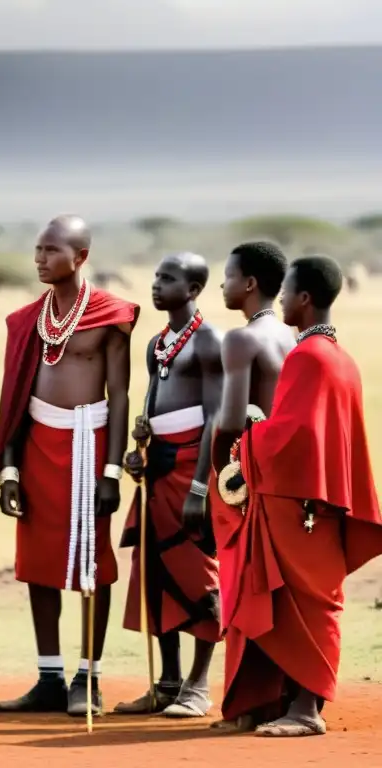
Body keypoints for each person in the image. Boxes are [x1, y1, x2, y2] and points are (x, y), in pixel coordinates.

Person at [216, 255, 382, 736]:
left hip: (300, 506)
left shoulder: (308, 356)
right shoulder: (339, 357)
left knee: (306, 608)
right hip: (315, 502)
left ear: (305, 299)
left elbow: (292, 435)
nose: (281, 299)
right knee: (289, 604)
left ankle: (306, 711)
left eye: (287, 292)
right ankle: (272, 703)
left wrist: (247, 436)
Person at [0, 215, 139, 717]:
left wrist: (113, 471)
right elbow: (13, 398)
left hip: (89, 444)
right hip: (36, 447)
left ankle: (89, 678)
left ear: (80, 258)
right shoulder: (26, 320)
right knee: (39, 563)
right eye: (36, 250)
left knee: (91, 564)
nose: (39, 259)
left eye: (51, 251)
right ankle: (50, 676)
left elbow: (119, 395)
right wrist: (9, 469)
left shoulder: (110, 315)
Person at [113, 252, 223, 718]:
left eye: (169, 279)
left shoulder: (209, 341)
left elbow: (217, 416)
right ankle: (168, 683)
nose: (156, 285)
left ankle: (198, 687)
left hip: (191, 467)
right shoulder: (157, 342)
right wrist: (138, 449)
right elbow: (150, 402)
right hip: (155, 466)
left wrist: (200, 486)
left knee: (198, 572)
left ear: (193, 289)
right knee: (154, 571)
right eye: (156, 276)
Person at [209, 241, 294, 730]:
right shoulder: (291, 337)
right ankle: (274, 701)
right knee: (274, 590)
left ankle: (248, 707)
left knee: (244, 588)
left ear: (249, 284)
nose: (222, 285)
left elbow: (233, 418)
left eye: (227, 276)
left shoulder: (240, 340)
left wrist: (217, 478)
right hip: (281, 476)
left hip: (247, 476)